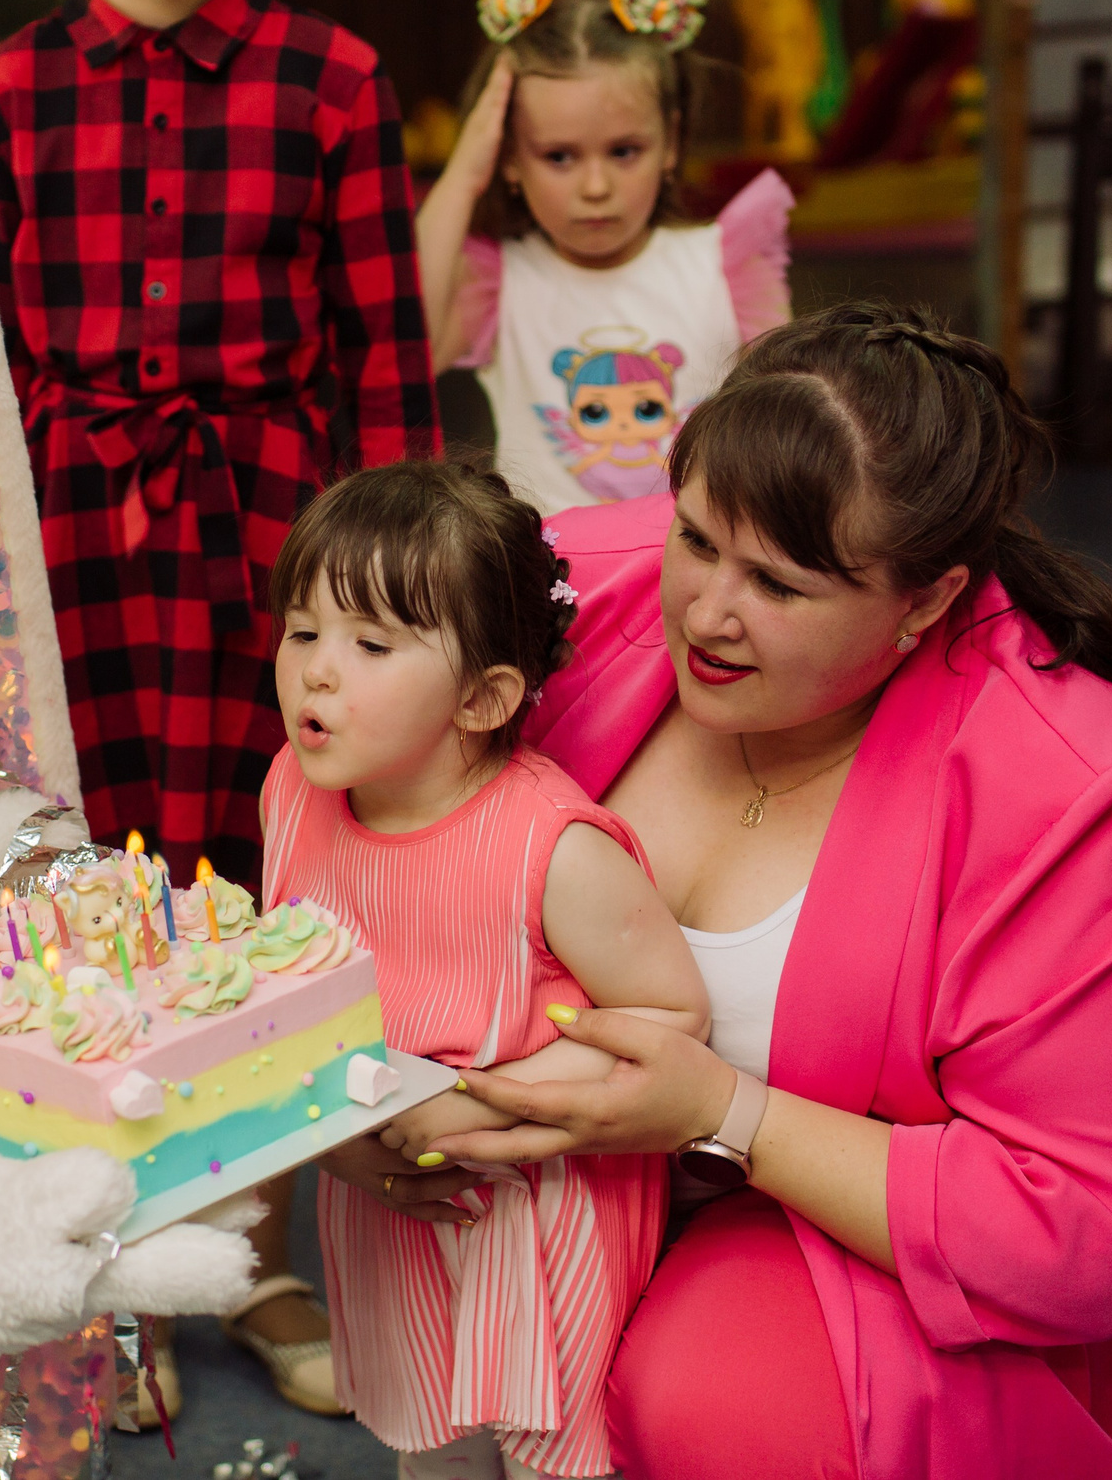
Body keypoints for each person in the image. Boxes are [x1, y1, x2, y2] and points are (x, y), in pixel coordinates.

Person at [327, 303, 1112, 1477]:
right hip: (567, 1207)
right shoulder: (557, 600)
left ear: (928, 600)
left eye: (782, 587)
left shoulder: (1075, 783)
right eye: (694, 537)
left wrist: (724, 1112)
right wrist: (338, 1114)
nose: (705, 611)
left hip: (858, 1251)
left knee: (716, 1397)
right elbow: (342, 828)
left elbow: (1098, 1232)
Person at [0, 0, 438, 1417]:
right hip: (79, 544)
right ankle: (118, 1268)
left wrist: (407, 604)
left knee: (271, 894)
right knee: (95, 904)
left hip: (273, 547)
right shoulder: (5, 98)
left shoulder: (333, 80)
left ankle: (253, 1242)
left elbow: (387, 363)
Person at [271, 461, 707, 1478]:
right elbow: (288, 991)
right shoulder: (289, 792)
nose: (316, 671)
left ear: (481, 698)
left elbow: (672, 1016)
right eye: (302, 631)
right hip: (390, 1197)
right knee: (430, 1443)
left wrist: (473, 1101)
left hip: (535, 1207)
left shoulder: (548, 846)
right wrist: (336, 1146)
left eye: (370, 643)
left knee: (556, 1457)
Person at [412, 0, 793, 515]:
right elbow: (402, 337)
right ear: (509, 157)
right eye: (559, 157)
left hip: (692, 583)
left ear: (671, 141)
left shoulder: (726, 264)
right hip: (550, 591)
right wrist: (465, 172)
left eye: (624, 151)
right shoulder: (500, 281)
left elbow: (786, 420)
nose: (595, 188)